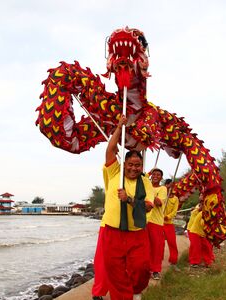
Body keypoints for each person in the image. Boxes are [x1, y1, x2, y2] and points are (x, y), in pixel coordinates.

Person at [101, 115, 154, 299]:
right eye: (130, 164)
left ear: (142, 166)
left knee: (141, 268)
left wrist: (129, 199)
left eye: (138, 165)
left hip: (136, 233)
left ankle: (136, 291)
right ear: (124, 164)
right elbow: (110, 149)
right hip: (112, 232)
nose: (133, 168)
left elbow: (148, 207)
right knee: (114, 272)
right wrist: (119, 126)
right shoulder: (115, 172)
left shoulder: (145, 182)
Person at [147, 168, 167, 280]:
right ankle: (147, 269)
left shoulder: (162, 188)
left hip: (156, 222)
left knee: (156, 247)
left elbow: (159, 203)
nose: (155, 176)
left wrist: (148, 193)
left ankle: (155, 270)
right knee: (146, 247)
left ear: (161, 177)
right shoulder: (146, 186)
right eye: (153, 174)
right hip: (145, 221)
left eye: (158, 174)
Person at [187, 192, 215, 268]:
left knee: (207, 246)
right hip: (194, 230)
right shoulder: (200, 209)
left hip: (202, 232)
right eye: (201, 195)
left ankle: (208, 261)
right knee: (196, 246)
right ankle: (194, 262)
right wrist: (197, 210)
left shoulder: (208, 210)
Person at [163, 179, 179, 269]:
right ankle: (156, 262)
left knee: (172, 242)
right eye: (170, 185)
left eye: (173, 186)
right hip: (159, 223)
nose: (171, 187)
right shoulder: (162, 194)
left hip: (169, 223)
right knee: (159, 243)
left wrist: (168, 216)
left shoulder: (175, 198)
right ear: (166, 185)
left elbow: (174, 211)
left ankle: (173, 261)